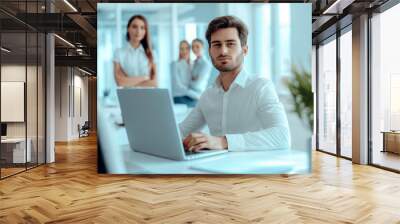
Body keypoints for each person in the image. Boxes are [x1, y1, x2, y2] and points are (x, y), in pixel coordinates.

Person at [179, 16, 291, 152]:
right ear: (210, 51)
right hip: (213, 169)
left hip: (252, 170)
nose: (223, 51)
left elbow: (282, 137)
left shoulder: (261, 87)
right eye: (217, 45)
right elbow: (181, 131)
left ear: (244, 50)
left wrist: (223, 141)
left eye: (230, 44)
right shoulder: (208, 95)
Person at [113, 15, 157, 87]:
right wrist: (144, 78)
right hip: (127, 96)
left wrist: (128, 81)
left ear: (145, 31)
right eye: (134, 27)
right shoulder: (119, 53)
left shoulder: (152, 53)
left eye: (142, 28)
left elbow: (154, 83)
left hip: (148, 96)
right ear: (128, 28)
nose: (138, 31)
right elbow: (119, 81)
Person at [171, 40, 196, 107]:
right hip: (180, 97)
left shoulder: (193, 64)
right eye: (181, 49)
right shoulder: (175, 64)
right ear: (179, 50)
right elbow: (178, 86)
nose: (184, 51)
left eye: (187, 48)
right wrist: (195, 95)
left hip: (192, 97)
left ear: (190, 49)